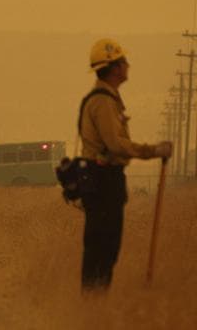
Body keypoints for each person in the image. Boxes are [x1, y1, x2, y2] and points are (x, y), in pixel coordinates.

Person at [78, 38, 172, 291]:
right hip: (102, 178)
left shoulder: (109, 98)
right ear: (115, 67)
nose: (128, 65)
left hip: (105, 177)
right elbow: (116, 144)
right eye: (124, 61)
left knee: (106, 244)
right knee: (102, 246)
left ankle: (94, 304)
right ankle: (92, 303)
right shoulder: (104, 101)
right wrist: (154, 150)